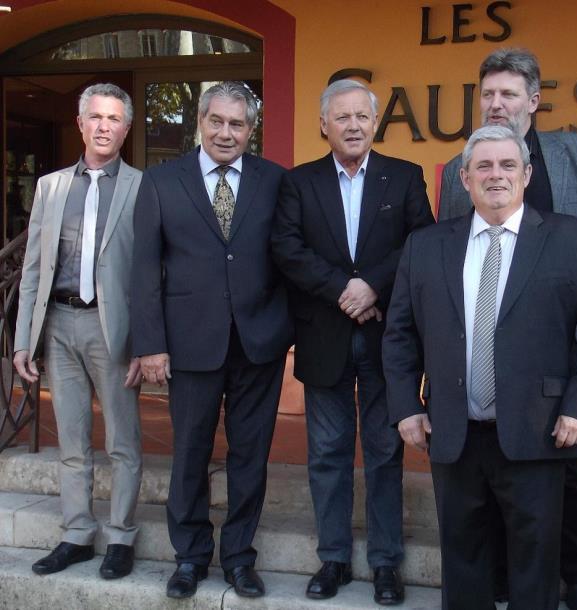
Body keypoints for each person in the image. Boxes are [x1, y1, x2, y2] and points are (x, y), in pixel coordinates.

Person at [384, 125, 577, 610]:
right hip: (454, 431)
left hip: (540, 431)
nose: (496, 175)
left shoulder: (572, 239)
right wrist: (406, 406)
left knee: (535, 569)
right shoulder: (427, 246)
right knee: (463, 562)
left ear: (528, 174)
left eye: (508, 165)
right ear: (465, 179)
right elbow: (400, 333)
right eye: (484, 166)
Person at [438, 48, 577, 610]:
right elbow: (456, 243)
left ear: (534, 100)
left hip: (558, 339)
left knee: (565, 465)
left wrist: (566, 290)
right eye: (489, 95)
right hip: (490, 338)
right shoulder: (465, 165)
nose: (497, 104)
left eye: (509, 94)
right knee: (495, 458)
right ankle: (499, 572)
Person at [271, 79, 434, 606]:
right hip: (326, 338)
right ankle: (334, 558)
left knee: (385, 452)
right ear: (324, 125)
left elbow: (421, 242)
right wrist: (342, 288)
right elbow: (287, 249)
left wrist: (373, 286)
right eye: (342, 117)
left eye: (362, 116)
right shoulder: (299, 183)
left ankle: (386, 563)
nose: (353, 125)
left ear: (374, 121)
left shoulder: (405, 178)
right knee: (328, 454)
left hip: (388, 339)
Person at [130, 81, 293, 600]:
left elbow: (289, 259)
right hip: (189, 344)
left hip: (258, 343)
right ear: (200, 121)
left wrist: (284, 328)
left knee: (251, 454)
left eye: (238, 124)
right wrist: (151, 344)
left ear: (252, 129)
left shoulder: (275, 181)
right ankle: (190, 556)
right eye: (217, 121)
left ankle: (240, 557)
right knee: (190, 452)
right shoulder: (160, 182)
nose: (227, 133)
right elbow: (143, 270)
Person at [13, 83, 143, 580]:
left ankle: (121, 538)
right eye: (96, 117)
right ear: (81, 124)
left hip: (115, 330)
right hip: (60, 326)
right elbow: (31, 268)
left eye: (114, 118)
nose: (104, 126)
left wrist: (149, 343)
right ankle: (77, 533)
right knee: (71, 439)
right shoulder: (49, 187)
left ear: (126, 129)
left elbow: (154, 272)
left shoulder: (141, 186)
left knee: (124, 441)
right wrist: (25, 337)